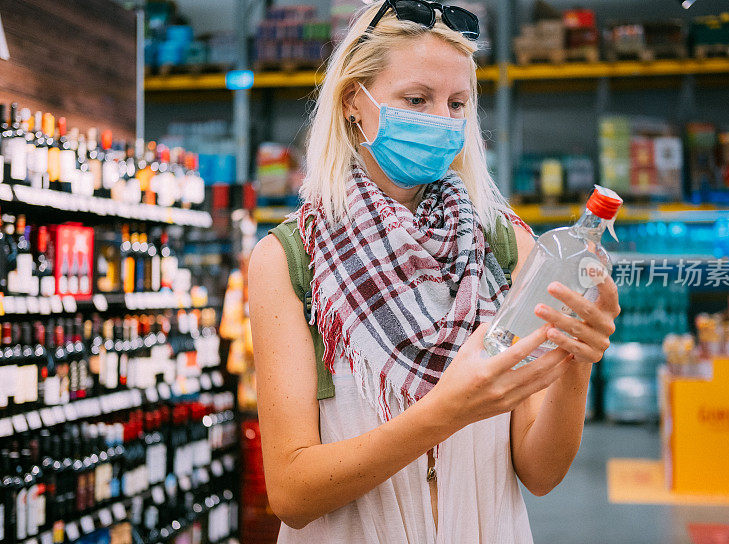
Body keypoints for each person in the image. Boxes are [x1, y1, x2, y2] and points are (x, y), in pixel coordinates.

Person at [248, 1, 620, 542]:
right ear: (355, 100)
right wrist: (445, 411)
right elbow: (290, 493)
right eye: (416, 100)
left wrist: (577, 357)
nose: (443, 122)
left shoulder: (504, 245)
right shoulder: (291, 259)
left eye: (457, 104)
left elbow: (540, 473)